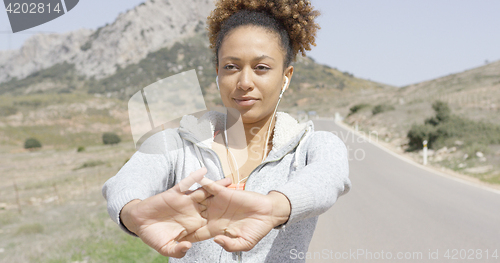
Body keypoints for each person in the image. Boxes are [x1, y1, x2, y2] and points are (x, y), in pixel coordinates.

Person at [102, 0, 351, 262]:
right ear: (217, 73)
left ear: (286, 76)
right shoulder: (176, 143)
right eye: (231, 67)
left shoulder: (311, 147)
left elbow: (329, 176)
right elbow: (125, 183)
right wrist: (134, 214)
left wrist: (273, 208)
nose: (244, 82)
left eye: (261, 68)